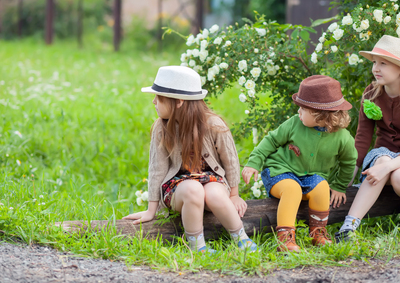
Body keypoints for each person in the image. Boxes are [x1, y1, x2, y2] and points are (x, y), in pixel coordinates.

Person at [123, 66, 257, 253]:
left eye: (158, 98)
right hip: (178, 187)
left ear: (178, 102)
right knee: (193, 189)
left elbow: (231, 161)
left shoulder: (213, 125)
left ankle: (241, 238)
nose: (153, 102)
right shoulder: (161, 128)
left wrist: (234, 195)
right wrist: (151, 210)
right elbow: (156, 169)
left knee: (215, 194)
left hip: (212, 180)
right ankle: (197, 247)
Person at [335, 35, 400, 243]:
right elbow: (363, 138)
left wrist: (387, 168)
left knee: (399, 176)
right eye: (374, 62)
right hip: (385, 153)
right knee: (383, 160)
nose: (376, 68)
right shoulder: (371, 93)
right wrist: (348, 176)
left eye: (383, 63)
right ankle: (349, 226)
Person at [242, 75, 357, 252]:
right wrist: (254, 163)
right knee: (292, 189)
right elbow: (270, 140)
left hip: (313, 177)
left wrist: (340, 186)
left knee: (321, 188)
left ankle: (318, 233)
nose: (298, 113)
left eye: (303, 109)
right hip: (280, 171)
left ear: (320, 115)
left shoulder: (343, 138)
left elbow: (349, 162)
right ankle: (285, 238)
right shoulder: (294, 124)